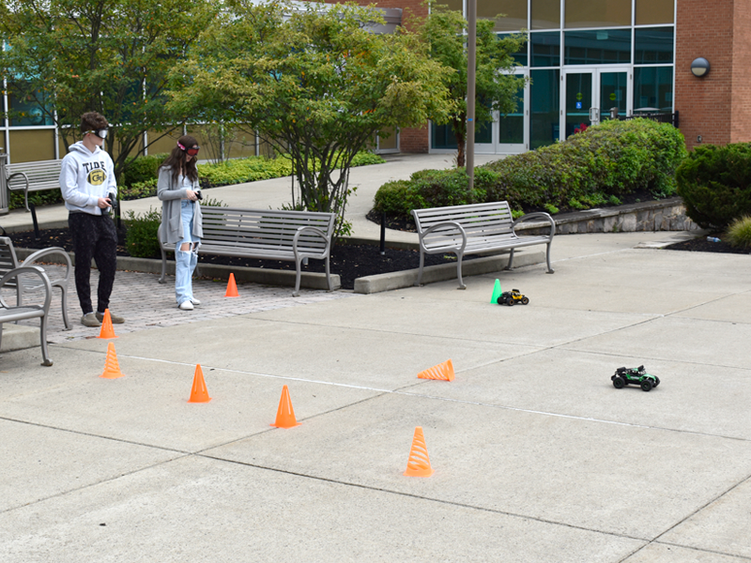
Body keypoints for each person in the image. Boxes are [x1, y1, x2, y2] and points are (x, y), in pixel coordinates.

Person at [59, 111, 124, 328]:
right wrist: (94, 200)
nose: (103, 136)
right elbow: (68, 193)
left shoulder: (104, 157)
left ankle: (102, 309)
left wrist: (110, 196)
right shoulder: (71, 159)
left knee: (109, 264)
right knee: (84, 265)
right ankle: (86, 311)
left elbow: (111, 181)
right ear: (88, 133)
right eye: (100, 132)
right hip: (81, 218)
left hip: (102, 216)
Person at [157, 135, 203, 310]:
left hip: (193, 211)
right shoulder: (167, 169)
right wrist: (183, 192)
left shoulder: (192, 167)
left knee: (192, 253)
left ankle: (188, 292)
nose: (192, 156)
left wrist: (195, 192)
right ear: (181, 150)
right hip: (178, 212)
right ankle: (182, 296)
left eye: (195, 152)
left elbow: (197, 186)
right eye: (190, 152)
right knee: (183, 253)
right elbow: (162, 193)